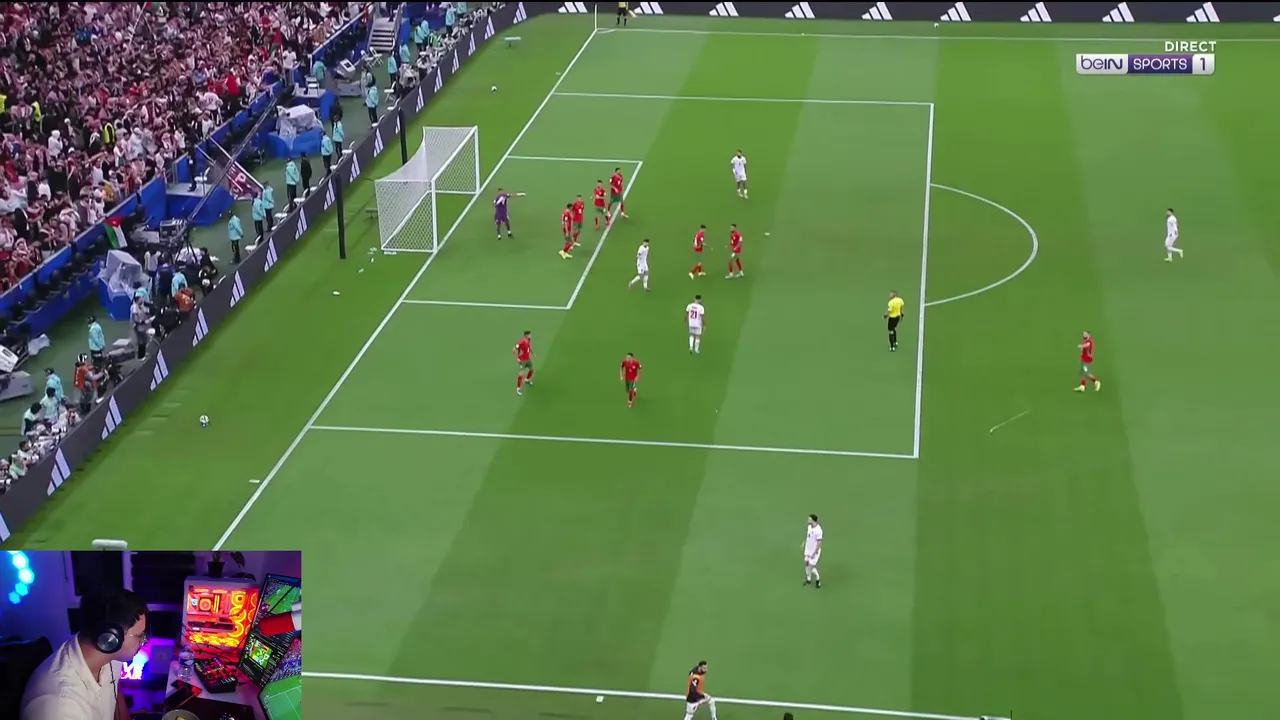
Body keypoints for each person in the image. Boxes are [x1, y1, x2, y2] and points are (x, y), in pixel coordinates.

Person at [20, 586, 149, 720]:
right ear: (110, 638)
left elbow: (115, 692)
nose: (144, 640)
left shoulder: (112, 655)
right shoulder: (60, 706)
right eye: (139, 635)